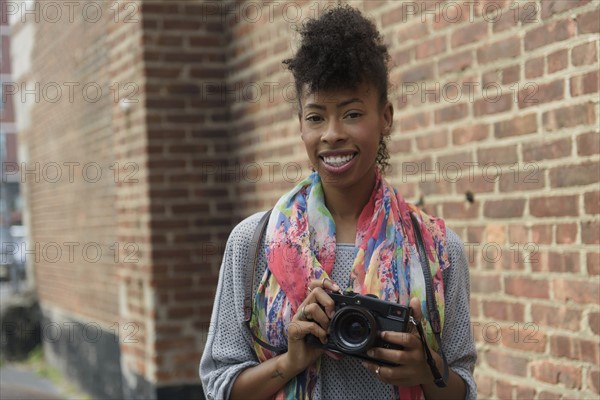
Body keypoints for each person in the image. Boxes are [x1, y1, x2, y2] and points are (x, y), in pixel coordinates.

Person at [200, 5, 476, 400]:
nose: (332, 134)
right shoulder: (252, 244)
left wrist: (426, 369)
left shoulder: (439, 250)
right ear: (300, 125)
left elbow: (463, 389)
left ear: (385, 117)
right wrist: (289, 362)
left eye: (351, 113)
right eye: (315, 117)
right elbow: (219, 387)